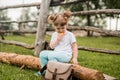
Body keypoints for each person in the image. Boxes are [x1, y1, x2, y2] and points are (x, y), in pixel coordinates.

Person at [35, 11, 78, 76]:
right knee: (42, 54)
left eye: (63, 28)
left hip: (66, 55)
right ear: (54, 27)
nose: (60, 30)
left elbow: (74, 46)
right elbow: (52, 47)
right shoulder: (54, 34)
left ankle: (54, 72)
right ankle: (45, 70)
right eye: (58, 29)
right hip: (56, 53)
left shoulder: (70, 35)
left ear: (66, 25)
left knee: (51, 56)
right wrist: (57, 40)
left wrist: (75, 58)